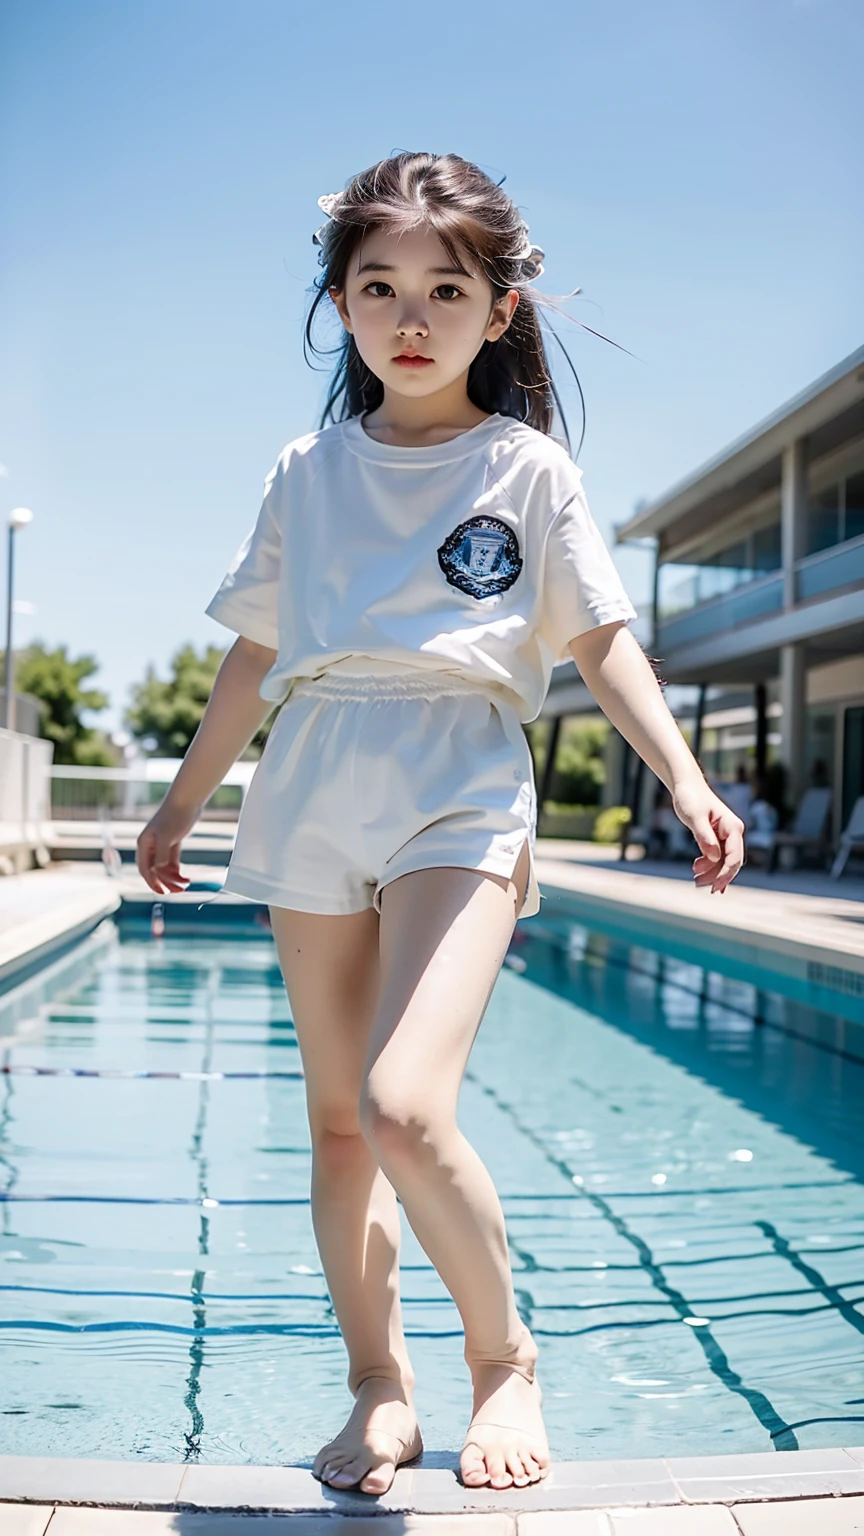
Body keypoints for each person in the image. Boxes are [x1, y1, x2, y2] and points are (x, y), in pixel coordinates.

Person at [136, 152, 745, 1498]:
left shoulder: (528, 469)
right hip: (313, 775)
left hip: (460, 776)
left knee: (406, 1109)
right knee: (340, 1126)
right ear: (341, 303)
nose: (411, 316)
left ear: (500, 308)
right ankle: (380, 1387)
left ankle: (500, 1359)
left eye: (444, 289)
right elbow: (252, 655)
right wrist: (184, 801)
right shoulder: (307, 468)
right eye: (379, 287)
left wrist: (690, 780)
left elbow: (599, 638)